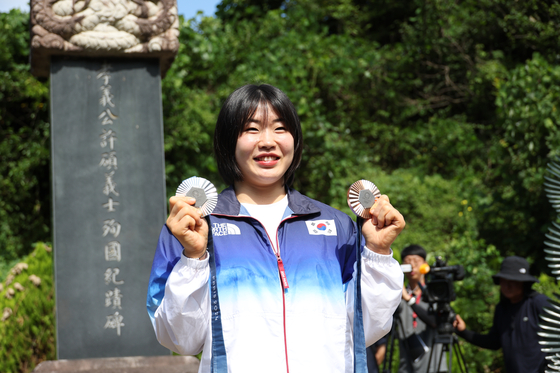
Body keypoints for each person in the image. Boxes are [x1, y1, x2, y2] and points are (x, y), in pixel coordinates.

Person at [146, 84, 406, 373]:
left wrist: (379, 252)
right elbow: (180, 340)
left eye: (280, 128)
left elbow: (366, 328)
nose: (267, 141)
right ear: (228, 140)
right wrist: (193, 258)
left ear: (295, 140)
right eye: (252, 129)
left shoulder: (337, 226)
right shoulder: (195, 226)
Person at [453, 256, 550, 373]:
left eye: (513, 281)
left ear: (524, 282)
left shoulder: (538, 303)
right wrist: (463, 332)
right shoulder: (502, 309)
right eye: (504, 281)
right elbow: (494, 342)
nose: (507, 286)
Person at [397, 245, 447, 373]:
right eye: (408, 262)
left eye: (416, 261)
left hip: (434, 366)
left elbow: (435, 321)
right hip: (406, 366)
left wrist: (409, 300)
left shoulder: (435, 294)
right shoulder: (397, 296)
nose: (412, 266)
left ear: (425, 264)